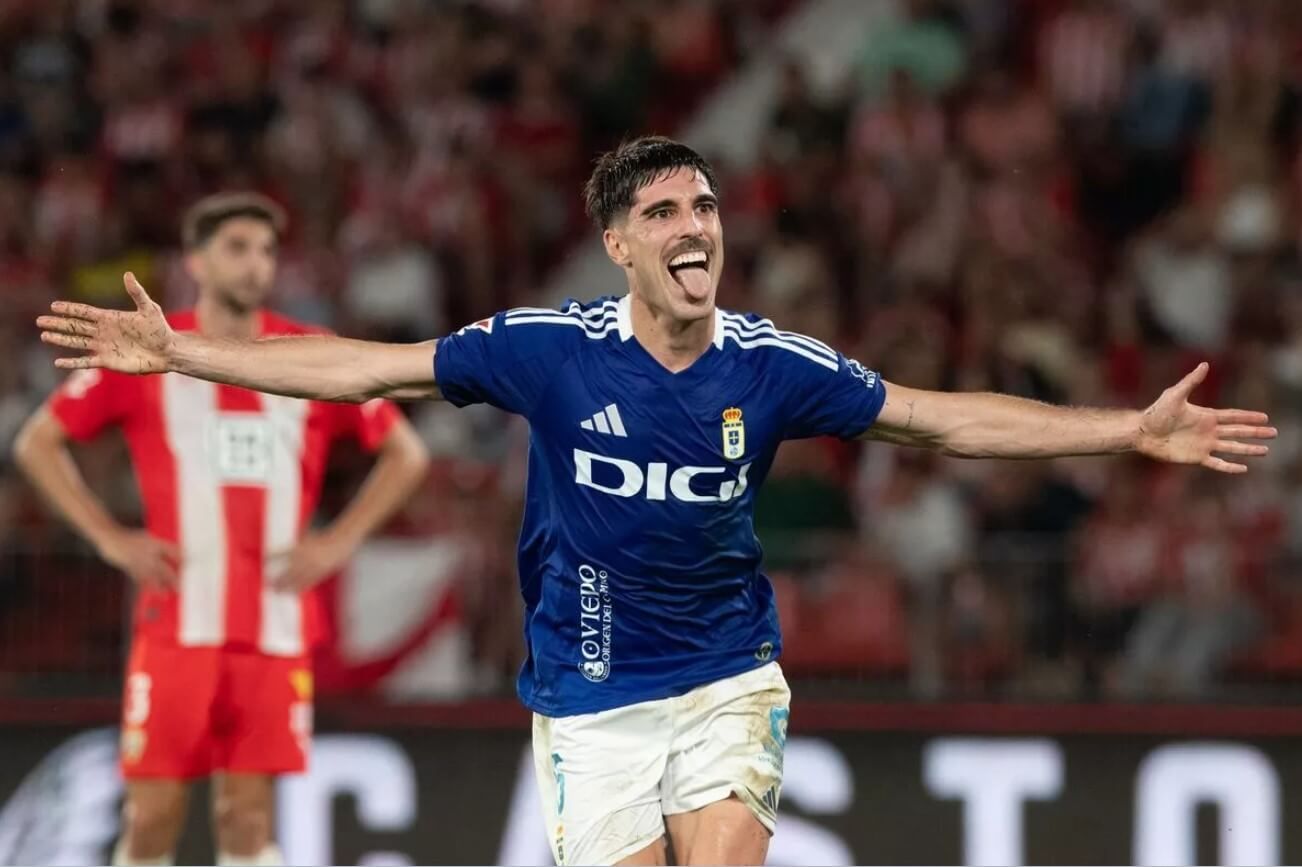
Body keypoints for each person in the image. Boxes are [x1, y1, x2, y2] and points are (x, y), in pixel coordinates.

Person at [36, 138, 1275, 866]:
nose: (698, 229)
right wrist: (187, 354)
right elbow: (365, 367)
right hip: (589, 692)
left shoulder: (771, 364)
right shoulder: (546, 349)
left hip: (729, 669)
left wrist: (1128, 429)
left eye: (706, 207)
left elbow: (938, 415)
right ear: (621, 247)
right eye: (664, 214)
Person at [17, 192, 429, 867]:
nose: (256, 265)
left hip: (273, 625)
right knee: (151, 817)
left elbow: (406, 455)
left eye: (266, 251)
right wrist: (108, 538)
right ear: (197, 262)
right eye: (238, 248)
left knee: (247, 817)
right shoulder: (152, 350)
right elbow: (38, 442)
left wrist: (338, 541)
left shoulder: (306, 355)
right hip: (177, 621)